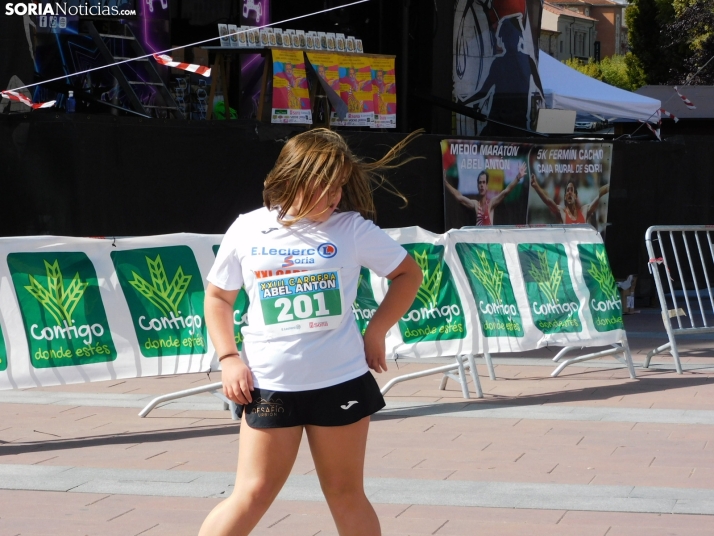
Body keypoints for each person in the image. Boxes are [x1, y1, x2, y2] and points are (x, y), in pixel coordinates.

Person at [199, 129, 423, 536]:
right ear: (293, 178)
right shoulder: (248, 229)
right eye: (324, 186)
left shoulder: (352, 230)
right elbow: (217, 299)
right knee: (253, 492)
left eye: (338, 186)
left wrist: (377, 332)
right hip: (268, 386)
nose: (334, 196)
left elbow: (408, 274)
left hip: (340, 382)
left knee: (345, 493)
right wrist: (229, 359)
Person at [443, 161, 527, 225]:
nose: (482, 185)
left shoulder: (491, 203)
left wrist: (518, 177)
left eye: (483, 182)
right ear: (477, 186)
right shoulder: (476, 205)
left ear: (487, 186)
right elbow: (459, 197)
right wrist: (445, 183)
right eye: (480, 183)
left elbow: (506, 191)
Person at [530, 175, 609, 224]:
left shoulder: (584, 210)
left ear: (576, 196)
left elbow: (599, 196)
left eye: (572, 190)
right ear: (565, 197)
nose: (569, 192)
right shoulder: (562, 212)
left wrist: (608, 188)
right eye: (567, 191)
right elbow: (548, 201)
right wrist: (536, 187)